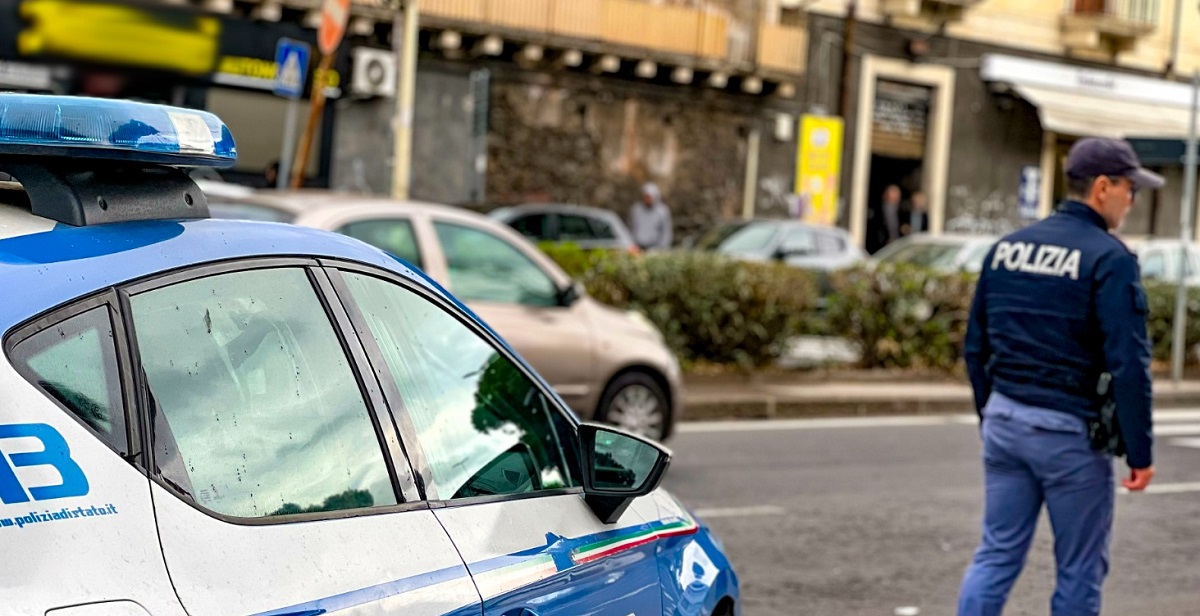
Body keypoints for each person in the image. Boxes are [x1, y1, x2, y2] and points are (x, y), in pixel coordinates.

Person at [957, 137, 1160, 616]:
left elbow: (975, 345)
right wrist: (1140, 451)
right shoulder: (1109, 258)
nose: (1132, 201)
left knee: (996, 555)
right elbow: (1128, 362)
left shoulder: (1007, 249)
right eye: (1130, 189)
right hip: (1069, 433)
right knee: (1079, 569)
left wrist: (990, 414)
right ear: (1103, 187)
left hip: (1006, 421)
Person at [629, 182, 672, 251]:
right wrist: (632, 244)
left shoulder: (662, 211)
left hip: (656, 248)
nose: (646, 199)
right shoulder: (636, 210)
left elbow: (666, 232)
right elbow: (632, 227)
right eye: (645, 197)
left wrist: (663, 248)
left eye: (648, 197)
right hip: (639, 247)